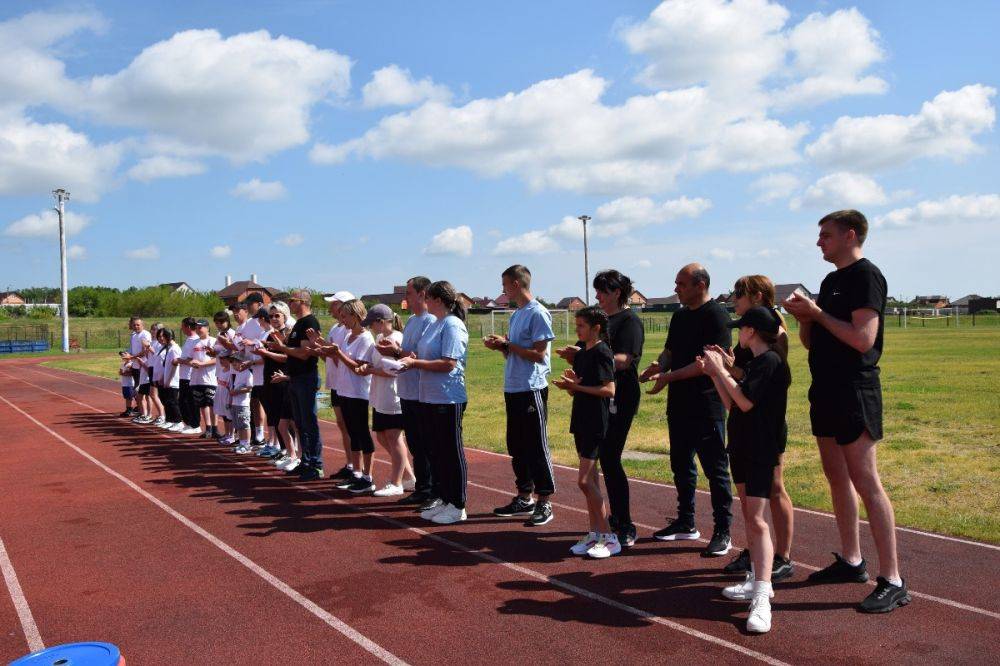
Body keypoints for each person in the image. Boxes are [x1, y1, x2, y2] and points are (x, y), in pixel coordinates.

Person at [783, 209, 909, 613]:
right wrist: (804, 319)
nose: (819, 241)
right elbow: (811, 342)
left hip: (855, 390)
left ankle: (892, 579)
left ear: (850, 235)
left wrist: (818, 313)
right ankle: (852, 561)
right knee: (836, 477)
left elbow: (862, 340)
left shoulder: (865, 276)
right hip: (826, 390)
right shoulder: (830, 280)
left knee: (866, 480)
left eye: (826, 235)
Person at [700, 306, 792, 634]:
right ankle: (756, 579)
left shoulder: (770, 362)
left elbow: (748, 402)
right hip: (741, 445)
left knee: (756, 520)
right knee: (750, 517)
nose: (738, 333)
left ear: (751, 331)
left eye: (742, 328)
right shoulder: (754, 363)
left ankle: (763, 596)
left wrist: (721, 371)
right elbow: (733, 404)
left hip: (760, 449)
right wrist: (715, 373)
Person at [642, 263, 733, 556]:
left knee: (715, 469)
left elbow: (706, 365)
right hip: (679, 404)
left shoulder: (717, 315)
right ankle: (686, 522)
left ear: (701, 284)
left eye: (681, 283)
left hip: (707, 403)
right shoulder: (680, 315)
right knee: (681, 465)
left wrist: (667, 377)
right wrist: (658, 366)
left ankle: (723, 530)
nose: (676, 288)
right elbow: (670, 351)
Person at [712, 276, 795, 581]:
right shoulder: (749, 328)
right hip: (746, 419)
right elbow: (745, 372)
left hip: (766, 422)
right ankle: (756, 550)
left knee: (773, 486)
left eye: (738, 294)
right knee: (751, 494)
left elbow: (765, 373)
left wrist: (726, 370)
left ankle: (783, 555)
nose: (734, 298)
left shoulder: (774, 329)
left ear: (756, 296)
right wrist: (725, 365)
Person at [559, 269, 644, 547]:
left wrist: (587, 354)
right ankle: (600, 525)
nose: (596, 296)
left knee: (610, 458)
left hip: (620, 397)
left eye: (601, 291)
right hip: (595, 400)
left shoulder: (630, 320)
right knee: (595, 463)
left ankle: (623, 523)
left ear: (616, 293)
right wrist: (580, 356)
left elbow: (624, 359)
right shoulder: (601, 320)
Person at [485, 265, 557, 527]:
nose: (502, 289)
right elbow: (513, 352)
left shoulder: (538, 312)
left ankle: (545, 501)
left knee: (536, 446)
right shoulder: (517, 315)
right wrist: (501, 347)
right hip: (513, 387)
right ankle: (524, 496)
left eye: (505, 284)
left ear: (516, 283)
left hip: (532, 388)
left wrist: (507, 345)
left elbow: (540, 355)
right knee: (516, 446)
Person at [398, 280, 469, 525]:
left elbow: (449, 363)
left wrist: (415, 363)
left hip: (447, 397)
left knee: (450, 452)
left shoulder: (452, 324)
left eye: (428, 297)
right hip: (428, 396)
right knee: (436, 452)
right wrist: (414, 358)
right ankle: (446, 499)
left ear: (438, 300)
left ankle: (458, 504)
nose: (424, 301)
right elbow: (425, 354)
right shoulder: (436, 324)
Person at [554, 306, 619, 559]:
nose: (577, 329)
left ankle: (609, 536)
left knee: (584, 481)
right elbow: (578, 389)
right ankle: (595, 535)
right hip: (580, 419)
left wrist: (579, 388)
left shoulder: (603, 352)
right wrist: (571, 386)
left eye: (581, 325)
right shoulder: (581, 354)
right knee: (591, 481)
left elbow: (609, 390)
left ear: (596, 328)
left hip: (595, 422)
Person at [376, 277, 437, 509]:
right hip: (407, 390)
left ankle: (432, 490)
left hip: (423, 391)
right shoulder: (411, 320)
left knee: (427, 444)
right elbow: (408, 353)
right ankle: (422, 488)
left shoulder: (431, 320)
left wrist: (397, 351)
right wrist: (392, 354)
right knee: (415, 444)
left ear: (423, 294)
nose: (406, 298)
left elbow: (423, 355)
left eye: (409, 293)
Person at [312, 299, 377, 493]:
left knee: (362, 433)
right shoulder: (348, 336)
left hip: (358, 392)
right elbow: (340, 361)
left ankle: (368, 477)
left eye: (345, 316)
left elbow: (359, 368)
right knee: (352, 433)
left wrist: (338, 353)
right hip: (344, 390)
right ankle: (356, 473)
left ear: (356, 316)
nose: (342, 320)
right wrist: (327, 349)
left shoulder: (366, 338)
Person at [357, 303, 415, 497]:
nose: (369, 328)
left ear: (381, 322)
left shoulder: (397, 338)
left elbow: (395, 369)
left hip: (393, 395)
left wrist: (371, 370)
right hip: (380, 395)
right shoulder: (380, 337)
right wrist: (366, 367)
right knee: (382, 436)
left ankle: (396, 482)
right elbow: (373, 362)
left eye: (371, 324)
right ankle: (408, 476)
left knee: (394, 437)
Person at [267, 289, 324, 481]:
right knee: (300, 423)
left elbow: (304, 353)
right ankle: (305, 460)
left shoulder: (309, 322)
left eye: (292, 300)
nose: (289, 303)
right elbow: (295, 350)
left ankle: (315, 464)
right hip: (296, 378)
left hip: (306, 378)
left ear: (302, 302)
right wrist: (281, 344)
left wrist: (282, 347)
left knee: (309, 422)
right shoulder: (300, 323)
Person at [254, 302, 300, 471]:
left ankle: (294, 454)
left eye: (277, 315)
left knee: (288, 421)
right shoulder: (270, 334)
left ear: (285, 316)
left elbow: (285, 357)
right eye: (271, 316)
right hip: (270, 380)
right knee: (276, 418)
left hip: (283, 381)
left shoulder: (287, 334)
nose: (273, 319)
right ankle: (286, 451)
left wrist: (265, 352)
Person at [319, 291, 356, 481]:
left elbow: (342, 357)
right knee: (342, 425)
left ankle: (357, 468)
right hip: (335, 383)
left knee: (350, 426)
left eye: (333, 304)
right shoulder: (335, 328)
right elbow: (329, 356)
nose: (330, 307)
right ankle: (350, 464)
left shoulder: (350, 329)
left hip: (347, 385)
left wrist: (328, 350)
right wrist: (319, 347)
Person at [184, 318, 218, 438]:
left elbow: (217, 359)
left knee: (212, 403)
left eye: (201, 327)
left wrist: (202, 364)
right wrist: (191, 362)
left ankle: (215, 429)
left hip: (211, 378)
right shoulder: (194, 342)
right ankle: (208, 428)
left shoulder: (214, 341)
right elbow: (188, 359)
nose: (198, 329)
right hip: (196, 379)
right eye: (197, 327)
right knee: (203, 404)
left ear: (207, 328)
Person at [176, 317, 203, 434]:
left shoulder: (197, 340)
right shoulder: (188, 339)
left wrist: (181, 360)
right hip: (183, 375)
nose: (181, 329)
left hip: (190, 376)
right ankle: (188, 423)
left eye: (182, 326)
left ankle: (195, 425)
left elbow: (194, 358)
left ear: (187, 327)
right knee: (182, 401)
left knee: (190, 401)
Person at [157, 327, 184, 430]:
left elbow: (175, 366)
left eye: (164, 336)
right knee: (167, 401)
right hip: (168, 379)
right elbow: (167, 366)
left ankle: (178, 421)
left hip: (174, 381)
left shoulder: (175, 349)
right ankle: (171, 420)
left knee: (173, 401)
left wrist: (168, 380)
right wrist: (164, 377)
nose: (161, 338)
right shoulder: (169, 348)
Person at [230, 351, 255, 454]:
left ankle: (247, 445)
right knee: (239, 425)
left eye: (235, 364)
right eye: (233, 364)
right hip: (236, 403)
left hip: (243, 404)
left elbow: (250, 388)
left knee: (244, 424)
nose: (234, 366)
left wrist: (237, 391)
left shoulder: (247, 373)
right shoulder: (238, 374)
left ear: (242, 362)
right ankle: (242, 443)